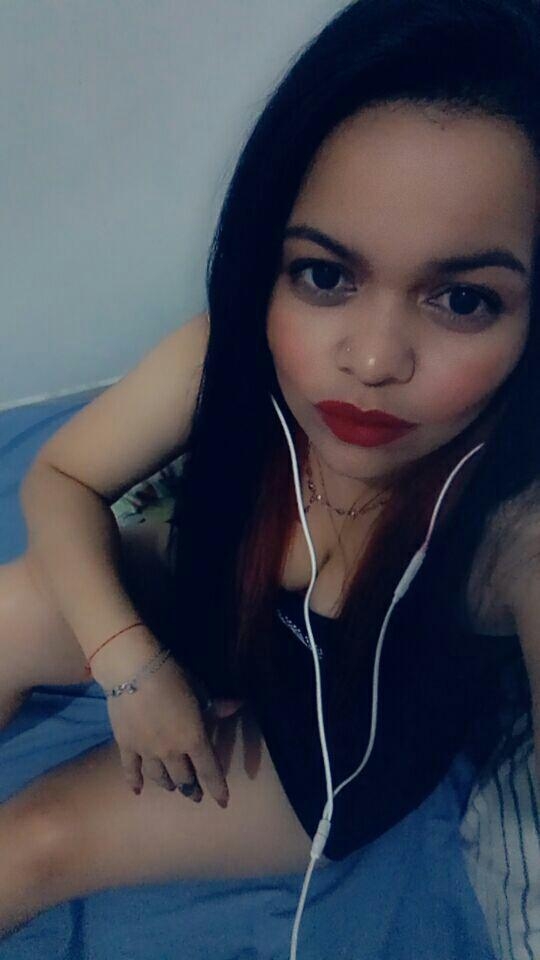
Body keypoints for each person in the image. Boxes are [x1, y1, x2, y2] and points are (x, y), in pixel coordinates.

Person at [0, 0, 539, 941]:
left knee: (28, 843)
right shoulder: (231, 355)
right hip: (212, 616)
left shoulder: (513, 532)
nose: (371, 360)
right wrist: (130, 668)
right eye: (326, 275)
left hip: (321, 758)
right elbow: (61, 479)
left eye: (462, 299)